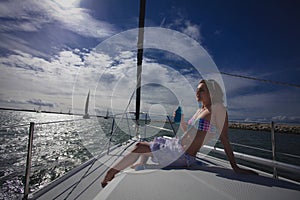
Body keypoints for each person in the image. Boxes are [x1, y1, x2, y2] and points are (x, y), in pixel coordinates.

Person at [101, 79, 257, 188]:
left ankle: (111, 172)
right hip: (176, 146)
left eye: (202, 90)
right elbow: (189, 135)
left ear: (212, 91)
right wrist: (181, 121)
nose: (197, 93)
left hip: (183, 155)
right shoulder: (200, 110)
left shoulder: (218, 109)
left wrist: (235, 167)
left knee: (139, 146)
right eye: (197, 90)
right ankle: (141, 163)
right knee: (152, 142)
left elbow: (224, 139)